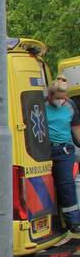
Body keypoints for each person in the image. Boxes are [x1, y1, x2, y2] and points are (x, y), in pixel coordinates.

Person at [46, 76, 80, 234]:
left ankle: (73, 221)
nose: (63, 99)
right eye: (60, 97)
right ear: (52, 95)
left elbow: (76, 131)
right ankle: (53, 221)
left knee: (66, 185)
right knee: (46, 186)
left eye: (65, 96)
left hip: (64, 151)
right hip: (45, 151)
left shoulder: (70, 106)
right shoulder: (43, 105)